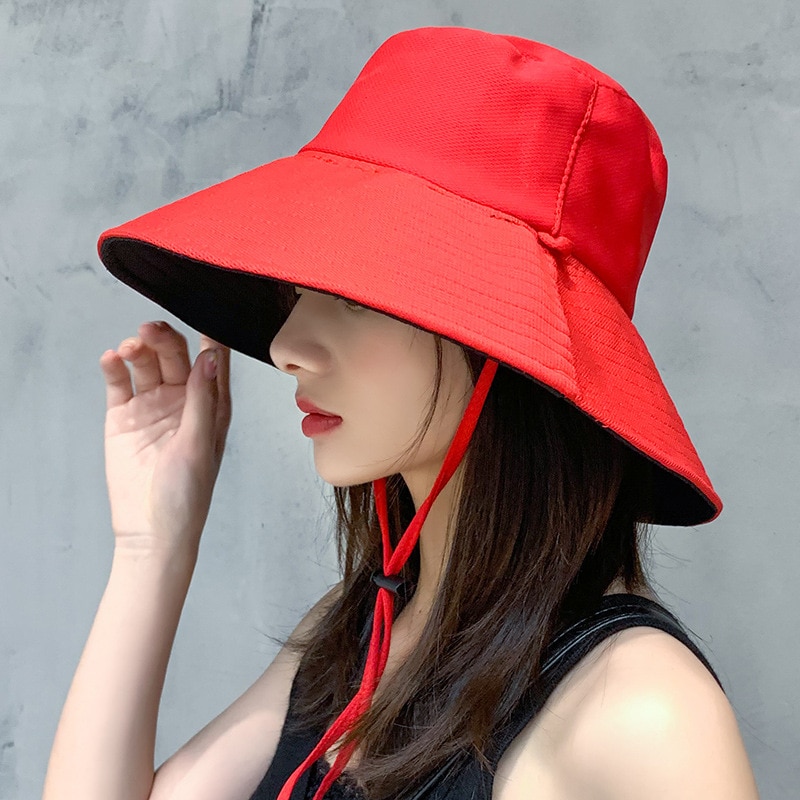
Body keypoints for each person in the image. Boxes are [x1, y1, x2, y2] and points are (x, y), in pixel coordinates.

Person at [43, 26, 760, 800]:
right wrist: (151, 545)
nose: (285, 346)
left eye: (355, 297)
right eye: (299, 291)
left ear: (507, 345)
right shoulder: (362, 631)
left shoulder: (643, 715)